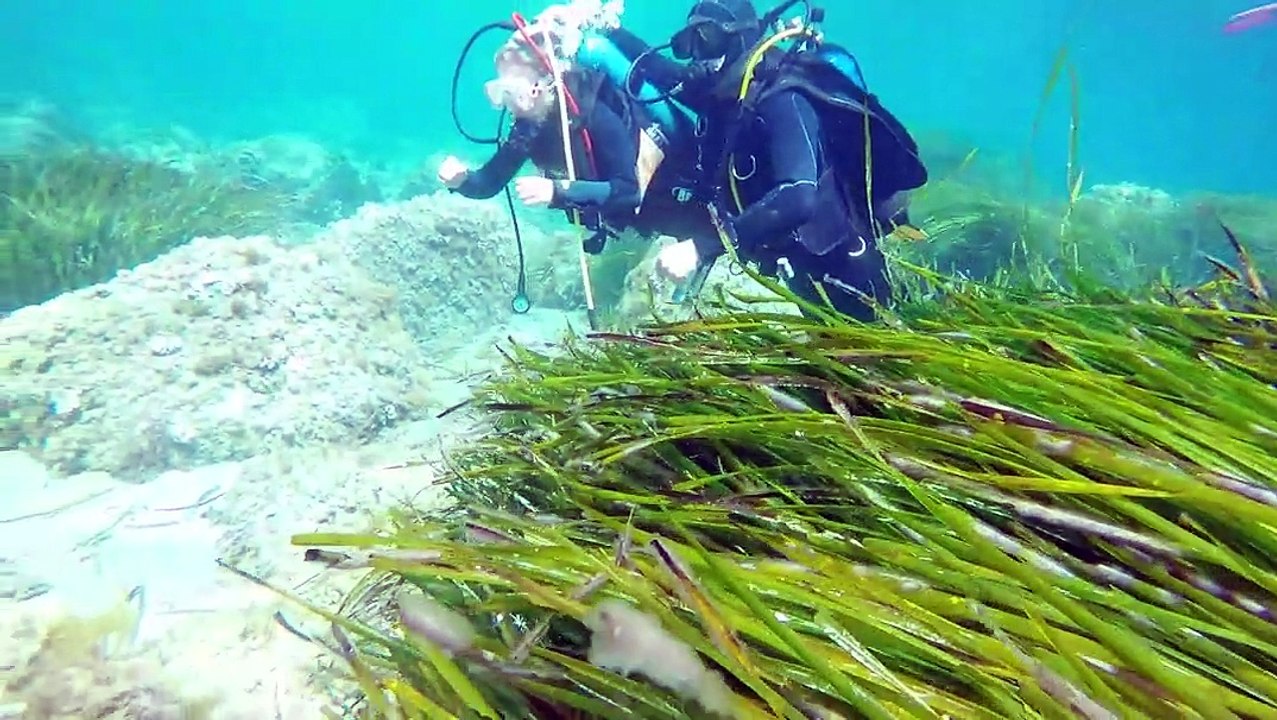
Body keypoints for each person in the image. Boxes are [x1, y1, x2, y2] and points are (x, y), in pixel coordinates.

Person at [643, 0, 930, 321]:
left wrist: (701, 246)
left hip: (844, 269)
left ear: (740, 38)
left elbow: (798, 195)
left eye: (707, 37)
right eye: (688, 43)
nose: (698, 55)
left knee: (875, 348)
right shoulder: (729, 99)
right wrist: (607, 34)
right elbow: (663, 74)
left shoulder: (782, 99)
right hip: (798, 268)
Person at [438, 6, 716, 256]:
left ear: (539, 86)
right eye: (498, 92)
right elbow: (489, 182)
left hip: (676, 200)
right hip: (632, 223)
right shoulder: (529, 125)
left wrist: (555, 192)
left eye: (511, 91)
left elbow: (628, 191)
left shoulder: (593, 111)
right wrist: (461, 180)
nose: (506, 103)